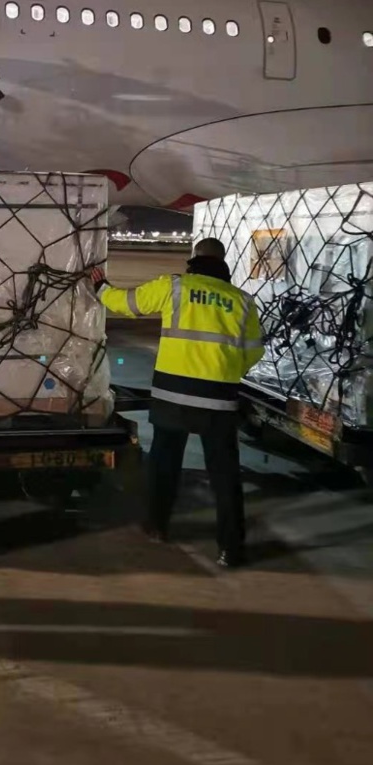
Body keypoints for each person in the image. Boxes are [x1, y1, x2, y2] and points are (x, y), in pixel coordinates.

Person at [90, 239, 264, 567]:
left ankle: (157, 526)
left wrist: (101, 287)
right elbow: (254, 351)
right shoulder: (242, 300)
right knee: (225, 476)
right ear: (223, 262)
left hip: (173, 396)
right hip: (219, 401)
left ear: (194, 258)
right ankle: (231, 549)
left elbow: (127, 303)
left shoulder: (174, 286)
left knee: (164, 465)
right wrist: (228, 372)